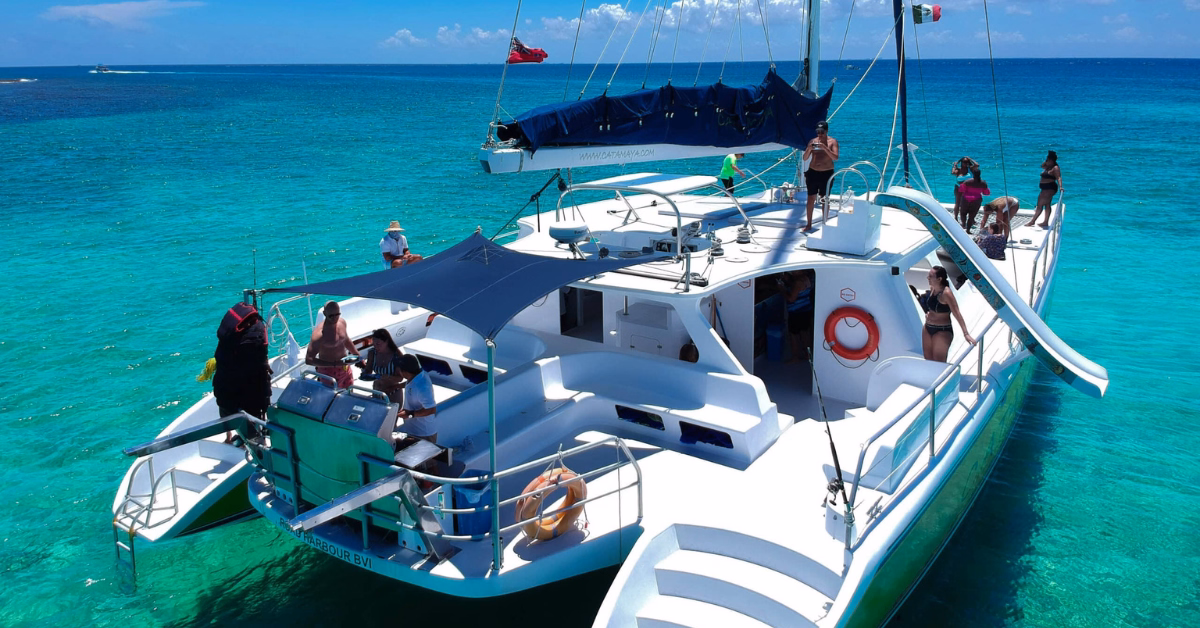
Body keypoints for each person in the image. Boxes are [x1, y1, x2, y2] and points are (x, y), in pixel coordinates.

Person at [212, 302, 272, 420]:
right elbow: (260, 371)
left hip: (223, 389)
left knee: (227, 411)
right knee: (252, 419)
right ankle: (254, 434)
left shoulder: (228, 340)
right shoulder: (256, 334)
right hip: (247, 393)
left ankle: (228, 437)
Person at [919, 265, 976, 362]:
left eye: (930, 276)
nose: (928, 278)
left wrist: (966, 333)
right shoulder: (933, 288)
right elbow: (932, 305)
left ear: (939, 279)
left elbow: (956, 313)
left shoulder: (946, 293)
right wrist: (929, 313)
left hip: (942, 330)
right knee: (928, 359)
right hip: (928, 327)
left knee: (939, 362)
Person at [306, 300, 360, 389]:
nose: (335, 318)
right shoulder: (319, 334)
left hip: (345, 368)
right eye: (331, 316)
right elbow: (309, 359)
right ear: (324, 313)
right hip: (328, 373)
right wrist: (334, 364)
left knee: (349, 395)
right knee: (331, 399)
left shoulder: (342, 322)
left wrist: (356, 354)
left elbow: (346, 340)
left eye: (337, 314)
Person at [802, 120, 839, 231]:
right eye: (818, 132)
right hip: (813, 172)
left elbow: (835, 157)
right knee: (810, 198)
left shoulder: (832, 142)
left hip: (826, 174)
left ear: (826, 131)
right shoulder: (813, 141)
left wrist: (825, 148)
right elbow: (805, 158)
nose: (820, 134)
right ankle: (808, 224)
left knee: (824, 199)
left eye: (822, 132)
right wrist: (809, 148)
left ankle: (825, 223)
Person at [396, 354, 437, 443]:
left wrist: (410, 414)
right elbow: (410, 385)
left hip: (424, 434)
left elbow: (432, 409)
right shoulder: (417, 374)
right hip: (412, 431)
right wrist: (397, 386)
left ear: (404, 372)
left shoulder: (422, 387)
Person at [359, 328, 406, 405]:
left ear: (387, 341)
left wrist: (385, 377)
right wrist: (364, 372)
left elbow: (400, 378)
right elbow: (369, 370)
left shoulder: (396, 355)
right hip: (377, 391)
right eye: (373, 344)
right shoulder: (372, 353)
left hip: (392, 393)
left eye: (378, 344)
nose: (375, 347)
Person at [782, 270, 815, 362]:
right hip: (806, 310)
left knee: (793, 334)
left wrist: (781, 289)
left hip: (796, 312)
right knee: (805, 333)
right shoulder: (806, 279)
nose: (792, 271)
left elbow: (791, 298)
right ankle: (808, 355)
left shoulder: (798, 282)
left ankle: (795, 357)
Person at [1030, 150, 1061, 229]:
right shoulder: (1047, 167)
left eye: (1048, 160)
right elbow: (1042, 166)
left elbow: (1059, 178)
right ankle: (1045, 222)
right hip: (1045, 188)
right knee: (1047, 204)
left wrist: (1061, 187)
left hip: (1049, 188)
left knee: (1040, 205)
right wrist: (1047, 162)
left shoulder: (1055, 168)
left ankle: (1032, 221)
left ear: (1052, 160)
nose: (1046, 161)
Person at [958, 167, 990, 233]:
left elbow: (961, 190)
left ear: (973, 174)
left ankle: (963, 224)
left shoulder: (967, 182)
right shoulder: (983, 183)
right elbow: (986, 193)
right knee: (972, 215)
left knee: (963, 213)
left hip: (966, 199)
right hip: (977, 200)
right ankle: (968, 230)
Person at [951, 157, 976, 224]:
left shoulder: (970, 169)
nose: (965, 163)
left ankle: (971, 219)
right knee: (958, 203)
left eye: (967, 162)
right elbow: (952, 172)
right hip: (959, 188)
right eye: (964, 162)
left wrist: (970, 159)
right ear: (961, 163)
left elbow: (977, 165)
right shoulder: (958, 170)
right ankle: (956, 218)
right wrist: (955, 165)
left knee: (970, 204)